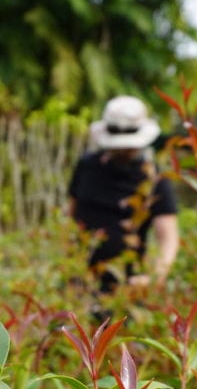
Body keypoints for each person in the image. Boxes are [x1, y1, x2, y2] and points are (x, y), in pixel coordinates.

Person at [68, 95, 180, 302]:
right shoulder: (87, 166)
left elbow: (168, 238)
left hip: (125, 290)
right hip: (80, 280)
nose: (121, 151)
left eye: (127, 148)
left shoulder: (154, 179)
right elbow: (72, 212)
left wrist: (155, 276)